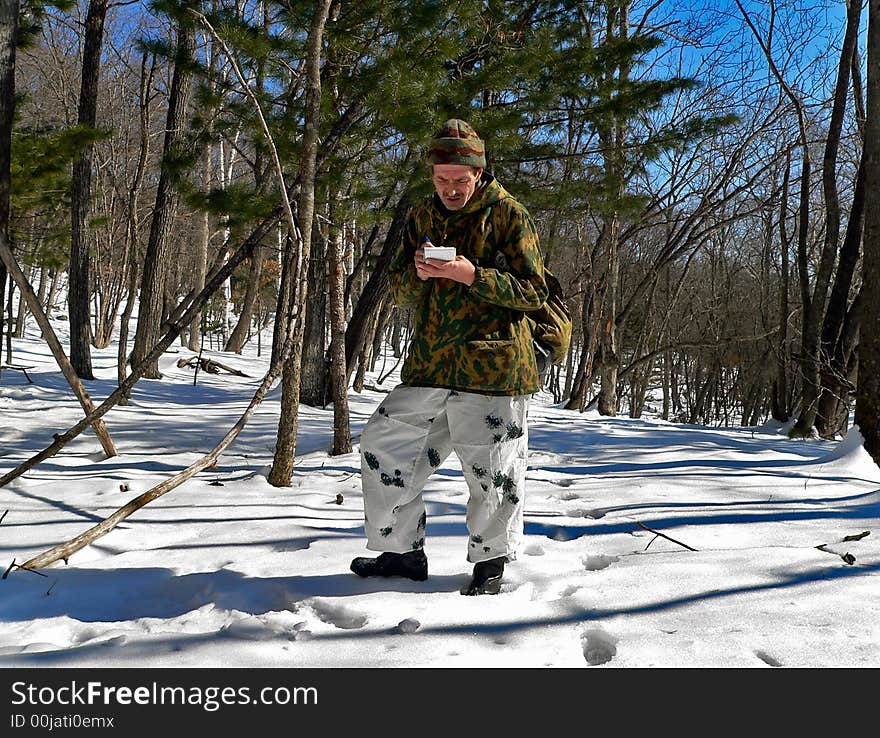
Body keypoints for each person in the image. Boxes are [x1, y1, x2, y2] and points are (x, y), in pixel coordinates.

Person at [350, 118, 548, 595]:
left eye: (460, 180)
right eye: (441, 180)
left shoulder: (509, 216)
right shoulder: (421, 215)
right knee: (384, 447)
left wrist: (470, 275)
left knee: (492, 469)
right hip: (430, 363)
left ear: (478, 174)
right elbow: (396, 285)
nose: (451, 189)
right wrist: (416, 275)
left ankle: (490, 563)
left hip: (493, 368)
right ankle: (402, 552)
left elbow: (535, 291)